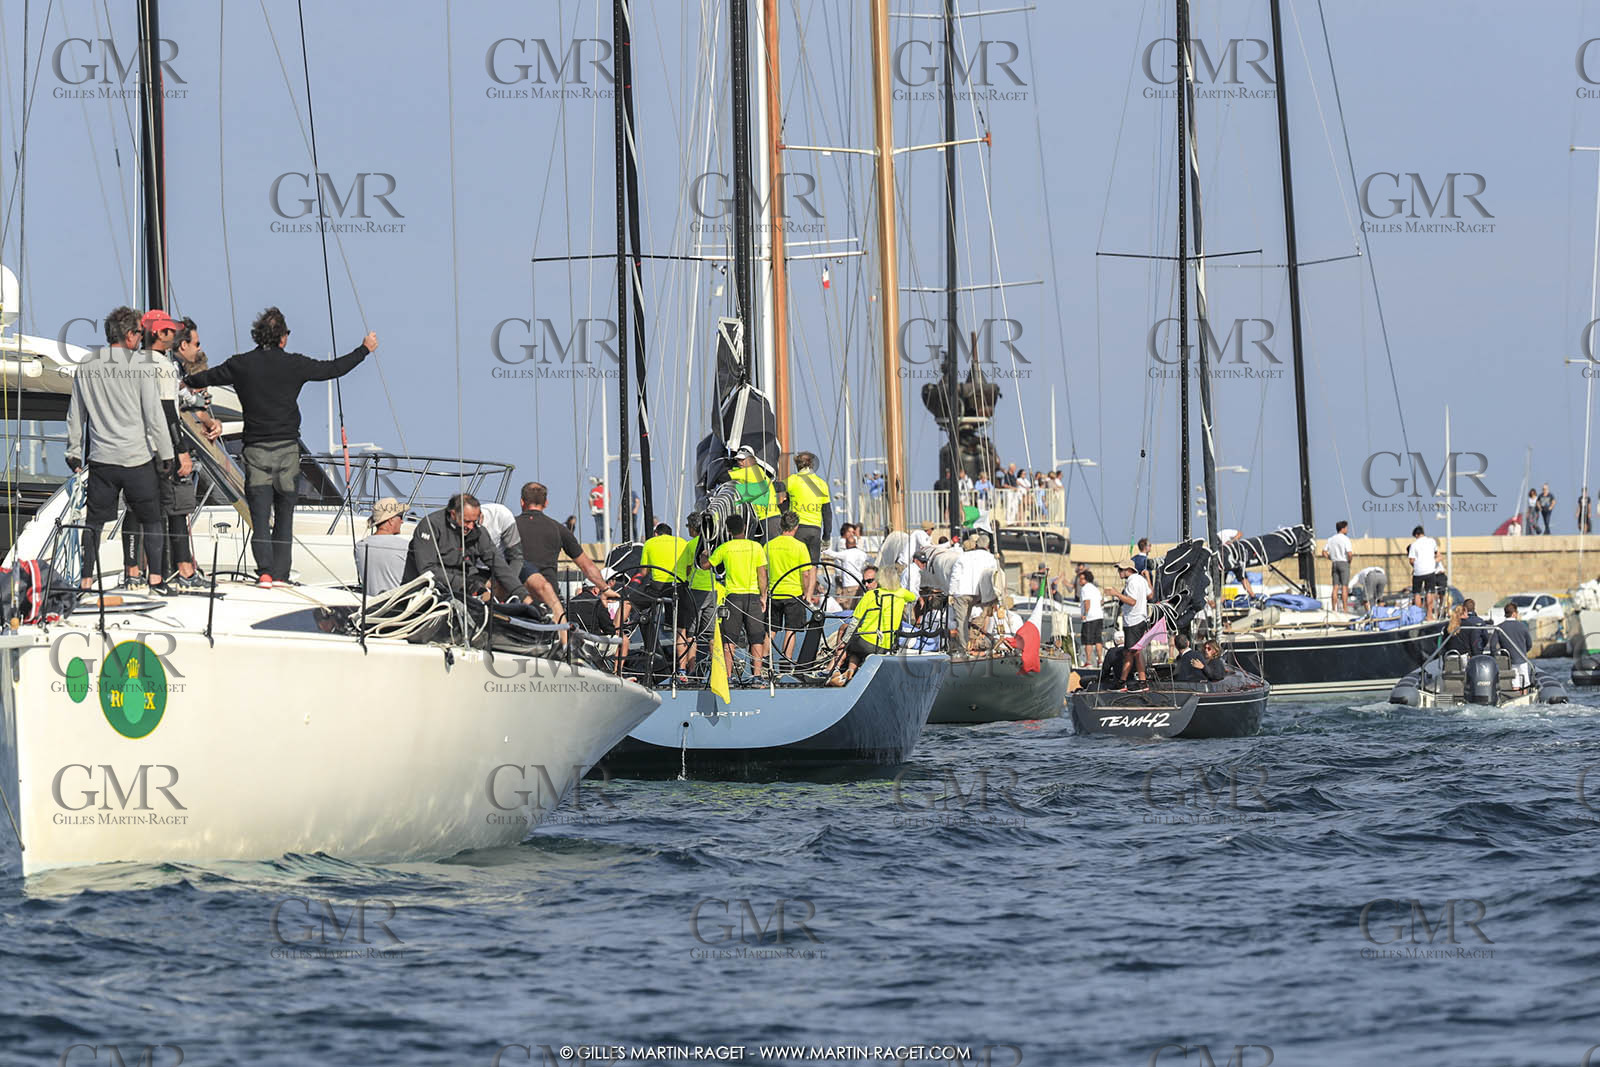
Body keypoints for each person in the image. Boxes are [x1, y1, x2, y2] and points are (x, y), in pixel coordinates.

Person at [184, 306, 376, 586]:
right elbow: (333, 369)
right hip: (287, 449)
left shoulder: (241, 364)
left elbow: (206, 378)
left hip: (256, 450)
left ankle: (264, 573)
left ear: (258, 335)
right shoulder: (295, 364)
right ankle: (281, 576)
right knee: (285, 514)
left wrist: (183, 381)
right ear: (283, 338)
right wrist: (364, 349)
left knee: (260, 515)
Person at [65, 306, 174, 593]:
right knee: (151, 520)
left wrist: (73, 450)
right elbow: (154, 415)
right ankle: (156, 581)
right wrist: (167, 454)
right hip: (137, 460)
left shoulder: (87, 365)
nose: (140, 338)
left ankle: (86, 582)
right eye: (139, 333)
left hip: (102, 460)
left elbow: (76, 412)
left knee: (94, 524)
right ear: (128, 335)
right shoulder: (141, 366)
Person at [163, 316, 224, 589]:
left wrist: (210, 421)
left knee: (175, 510)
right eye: (196, 343)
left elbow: (188, 404)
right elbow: (175, 405)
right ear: (183, 343)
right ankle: (183, 569)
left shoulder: (174, 369)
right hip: (172, 448)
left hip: (168, 447)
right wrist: (180, 451)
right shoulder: (169, 369)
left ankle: (174, 568)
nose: (199, 349)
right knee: (179, 508)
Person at [515, 481, 612, 624]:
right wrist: (605, 588)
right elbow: (587, 566)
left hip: (517, 596)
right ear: (546, 503)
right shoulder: (558, 529)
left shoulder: (510, 526)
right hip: (548, 599)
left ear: (522, 502)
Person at [401, 492, 522, 602]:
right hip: (426, 591)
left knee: (494, 588)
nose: (471, 526)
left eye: (474, 522)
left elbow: (500, 566)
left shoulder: (477, 532)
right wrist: (464, 584)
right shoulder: (431, 525)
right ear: (453, 515)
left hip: (459, 588)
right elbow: (427, 569)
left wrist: (525, 597)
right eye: (467, 522)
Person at [827, 561, 916, 687]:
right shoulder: (901, 594)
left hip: (866, 642)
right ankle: (850, 671)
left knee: (852, 643)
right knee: (857, 650)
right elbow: (913, 597)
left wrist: (846, 641)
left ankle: (833, 668)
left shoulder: (870, 595)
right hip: (885, 646)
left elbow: (854, 622)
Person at [709, 513, 769, 680]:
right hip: (752, 597)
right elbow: (762, 574)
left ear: (728, 530)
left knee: (729, 639)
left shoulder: (725, 547)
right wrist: (763, 596)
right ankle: (757, 675)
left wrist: (705, 554)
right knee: (757, 636)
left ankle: (727, 676)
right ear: (744, 528)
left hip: (733, 597)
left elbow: (707, 565)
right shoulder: (756, 547)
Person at [765, 511, 817, 667]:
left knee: (771, 630)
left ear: (781, 526)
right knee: (791, 630)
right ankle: (785, 663)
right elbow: (806, 574)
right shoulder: (800, 547)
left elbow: (763, 571)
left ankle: (765, 661)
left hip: (774, 593)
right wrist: (807, 593)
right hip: (793, 594)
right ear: (796, 527)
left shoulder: (769, 545)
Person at [675, 513, 717, 675]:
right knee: (712, 635)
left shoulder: (691, 545)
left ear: (694, 528)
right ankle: (715, 671)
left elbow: (686, 568)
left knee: (691, 634)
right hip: (712, 591)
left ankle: (689, 670)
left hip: (695, 591)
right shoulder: (714, 544)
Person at [947, 530, 999, 655]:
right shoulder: (991, 558)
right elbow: (994, 576)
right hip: (979, 593)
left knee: (962, 621)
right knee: (982, 615)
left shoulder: (963, 557)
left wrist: (951, 593)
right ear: (987, 546)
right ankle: (975, 640)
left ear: (975, 545)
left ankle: (964, 649)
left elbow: (955, 575)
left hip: (962, 592)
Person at [1107, 558, 1151, 689]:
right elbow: (1150, 595)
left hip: (1133, 620)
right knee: (1133, 652)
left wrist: (1116, 594)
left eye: (1120, 569)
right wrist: (1148, 578)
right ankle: (1135, 682)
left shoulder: (1132, 581)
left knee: (1132, 653)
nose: (1119, 572)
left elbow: (1132, 601)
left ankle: (1126, 682)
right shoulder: (1141, 580)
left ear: (1128, 570)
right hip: (1138, 620)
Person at [783, 451, 833, 564]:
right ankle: (811, 582)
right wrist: (826, 537)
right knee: (813, 564)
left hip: (797, 529)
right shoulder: (821, 484)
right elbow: (827, 513)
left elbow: (775, 488)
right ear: (812, 464)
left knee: (798, 564)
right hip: (815, 530)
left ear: (797, 465)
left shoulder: (793, 480)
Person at [354, 497, 409, 596]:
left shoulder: (359, 547)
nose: (402, 521)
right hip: (398, 607)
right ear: (391, 520)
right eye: (401, 516)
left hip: (371, 607)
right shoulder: (405, 546)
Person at [729, 445, 781, 541]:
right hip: (765, 519)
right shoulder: (750, 472)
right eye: (738, 460)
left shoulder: (752, 470)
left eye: (743, 459)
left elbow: (726, 476)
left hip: (769, 519)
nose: (740, 462)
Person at [477, 500, 524, 586]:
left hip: (505, 564)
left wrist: (508, 583)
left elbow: (516, 557)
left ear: (481, 515)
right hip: (477, 569)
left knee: (540, 584)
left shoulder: (501, 514)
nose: (470, 526)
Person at [1407, 524, 1443, 621]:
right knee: (1429, 592)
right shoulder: (1432, 541)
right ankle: (1429, 615)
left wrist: (1416, 566)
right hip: (1430, 570)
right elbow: (1437, 553)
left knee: (1417, 593)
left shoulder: (1414, 545)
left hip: (1418, 571)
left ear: (1416, 535)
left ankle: (1418, 616)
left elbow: (1411, 560)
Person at [830, 523, 869, 606]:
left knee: (845, 603)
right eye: (850, 532)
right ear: (844, 532)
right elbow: (855, 552)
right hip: (842, 578)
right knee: (845, 604)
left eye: (853, 532)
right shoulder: (842, 542)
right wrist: (858, 537)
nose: (851, 534)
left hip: (845, 579)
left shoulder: (845, 543)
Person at [1498, 601, 1534, 687]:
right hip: (1522, 659)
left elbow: (1493, 646)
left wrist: (1502, 655)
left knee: (1514, 683)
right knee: (1525, 683)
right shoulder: (1522, 626)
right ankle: (1524, 697)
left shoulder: (1499, 627)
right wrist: (1523, 651)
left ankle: (1515, 696)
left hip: (1509, 660)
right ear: (1514, 613)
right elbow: (1529, 644)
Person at [1322, 519, 1354, 612]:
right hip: (1344, 562)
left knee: (1335, 586)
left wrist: (1330, 558)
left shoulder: (1331, 539)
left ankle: (1333, 608)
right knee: (1344, 586)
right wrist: (1349, 561)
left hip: (1335, 563)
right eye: (1346, 528)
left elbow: (1324, 552)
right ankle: (1345, 608)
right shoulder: (1345, 539)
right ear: (1343, 529)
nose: (1347, 530)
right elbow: (1349, 553)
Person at [1077, 568, 1104, 669]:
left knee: (1088, 640)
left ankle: (1088, 662)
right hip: (1099, 616)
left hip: (1090, 618)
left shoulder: (1085, 589)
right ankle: (1100, 660)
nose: (1080, 581)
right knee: (1098, 639)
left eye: (1082, 579)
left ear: (1086, 579)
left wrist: (1085, 613)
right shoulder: (1095, 588)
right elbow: (1101, 602)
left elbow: (1087, 602)